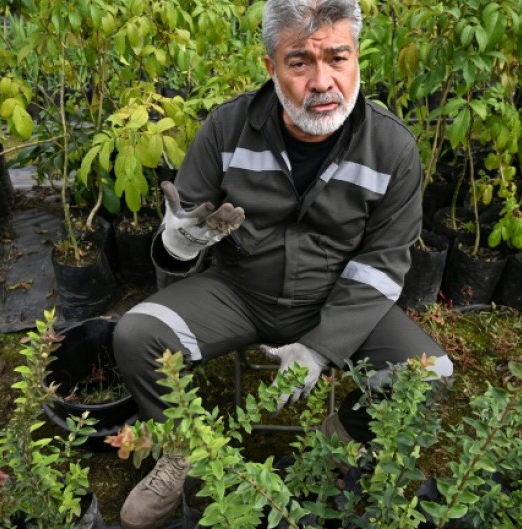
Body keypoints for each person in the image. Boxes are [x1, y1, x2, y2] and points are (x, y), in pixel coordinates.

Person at [112, 0, 453, 527]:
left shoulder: (391, 148)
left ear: (357, 57)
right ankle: (182, 454)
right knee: (135, 335)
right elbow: (181, 225)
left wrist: (321, 348)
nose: (323, 82)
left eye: (338, 58)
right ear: (271, 68)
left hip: (335, 302)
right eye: (300, 63)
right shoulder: (228, 128)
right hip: (238, 292)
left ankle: (332, 450)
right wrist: (181, 242)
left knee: (429, 376)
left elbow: (384, 265)